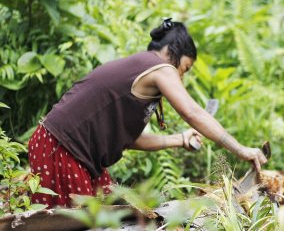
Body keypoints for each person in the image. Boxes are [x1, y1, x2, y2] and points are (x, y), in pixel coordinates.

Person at [28, 18, 268, 208]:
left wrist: (179, 139)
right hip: (61, 148)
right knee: (79, 223)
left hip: (68, 150)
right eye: (185, 67)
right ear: (173, 51)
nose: (182, 76)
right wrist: (240, 149)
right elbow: (193, 112)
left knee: (109, 213)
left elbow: (129, 139)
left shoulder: (143, 69)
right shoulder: (161, 68)